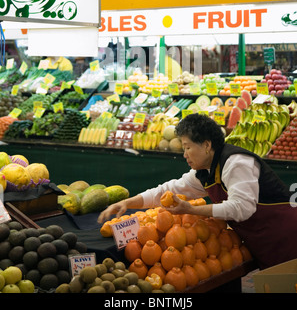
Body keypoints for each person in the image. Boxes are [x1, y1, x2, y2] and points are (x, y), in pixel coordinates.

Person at [98, 113, 297, 270]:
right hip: (262, 239)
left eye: (187, 147)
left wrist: (190, 210)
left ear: (207, 145)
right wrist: (128, 202)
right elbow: (169, 189)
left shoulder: (236, 163)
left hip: (285, 235)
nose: (184, 154)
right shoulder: (205, 171)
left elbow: (241, 208)